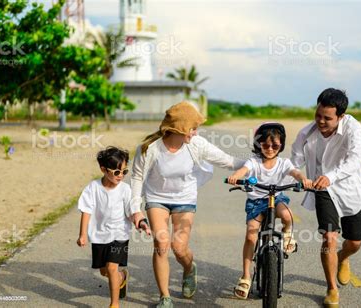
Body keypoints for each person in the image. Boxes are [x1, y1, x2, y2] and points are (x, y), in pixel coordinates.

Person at [130, 101, 244, 308]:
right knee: (161, 245)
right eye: (192, 128)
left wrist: (257, 164)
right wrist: (135, 211)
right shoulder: (149, 149)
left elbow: (226, 160)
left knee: (179, 248)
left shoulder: (196, 144)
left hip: (185, 198)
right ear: (179, 129)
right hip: (157, 198)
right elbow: (137, 178)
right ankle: (165, 297)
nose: (195, 132)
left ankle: (189, 269)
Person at [291, 88, 361, 307]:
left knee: (354, 242)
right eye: (318, 115)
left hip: (351, 189)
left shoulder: (353, 128)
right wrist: (293, 174)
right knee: (329, 238)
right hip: (322, 190)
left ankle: (344, 258)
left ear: (341, 116)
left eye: (327, 118)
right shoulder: (306, 133)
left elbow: (354, 161)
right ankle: (332, 288)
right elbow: (294, 160)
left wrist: (331, 176)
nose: (321, 121)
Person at [227, 122, 313, 299]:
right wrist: (236, 177)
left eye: (275, 145)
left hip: (276, 197)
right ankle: (245, 276)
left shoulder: (283, 163)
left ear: (281, 145)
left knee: (287, 215)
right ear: (259, 144)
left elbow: (295, 173)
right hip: (256, 201)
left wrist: (304, 179)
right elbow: (244, 170)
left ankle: (287, 234)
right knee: (251, 234)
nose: (270, 148)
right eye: (265, 144)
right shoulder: (254, 161)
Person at [77, 146, 150, 308]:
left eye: (124, 172)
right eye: (117, 172)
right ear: (103, 169)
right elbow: (86, 210)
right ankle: (122, 277)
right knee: (105, 271)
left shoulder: (125, 189)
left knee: (111, 268)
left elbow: (132, 210)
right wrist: (82, 234)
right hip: (99, 236)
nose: (121, 176)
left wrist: (140, 223)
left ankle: (114, 304)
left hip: (119, 235)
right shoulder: (93, 188)